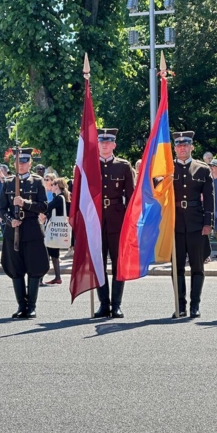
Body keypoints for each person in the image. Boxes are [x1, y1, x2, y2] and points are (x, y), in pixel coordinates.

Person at [0, 147, 49, 319]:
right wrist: (9, 220)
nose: (21, 165)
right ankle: (21, 305)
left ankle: (32, 306)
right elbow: (2, 209)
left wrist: (25, 203)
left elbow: (43, 206)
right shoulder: (8, 182)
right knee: (16, 269)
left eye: (25, 161)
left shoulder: (38, 181)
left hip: (32, 229)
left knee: (34, 268)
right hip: (14, 232)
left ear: (30, 163)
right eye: (19, 162)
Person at [171, 131, 213, 318]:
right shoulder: (167, 169)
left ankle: (195, 305)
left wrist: (208, 222)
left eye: (186, 145)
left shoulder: (202, 169)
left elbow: (210, 199)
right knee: (176, 267)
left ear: (191, 147)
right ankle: (180, 305)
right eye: (179, 145)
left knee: (197, 266)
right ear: (174, 148)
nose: (182, 147)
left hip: (196, 223)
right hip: (175, 224)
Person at [94, 128, 134, 318]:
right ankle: (104, 304)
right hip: (96, 220)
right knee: (98, 263)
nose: (104, 145)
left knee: (119, 263)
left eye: (108, 142)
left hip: (118, 220)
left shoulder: (124, 166)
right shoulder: (90, 165)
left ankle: (116, 304)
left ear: (114, 145)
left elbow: (131, 197)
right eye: (102, 142)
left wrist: (131, 221)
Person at [41, 177, 71, 285]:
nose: (51, 186)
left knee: (46, 254)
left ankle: (39, 279)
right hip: (58, 229)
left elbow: (47, 207)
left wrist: (42, 212)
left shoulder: (59, 198)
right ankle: (57, 277)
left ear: (57, 186)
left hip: (54, 229)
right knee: (54, 254)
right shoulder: (64, 197)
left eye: (53, 184)